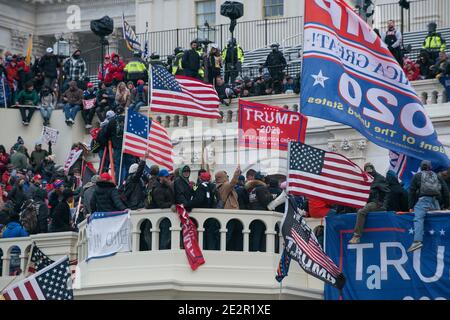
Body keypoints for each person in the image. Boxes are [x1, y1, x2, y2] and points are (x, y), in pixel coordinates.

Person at [407, 160, 449, 252]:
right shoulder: (437, 176)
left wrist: (411, 206)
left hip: (423, 201)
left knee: (418, 218)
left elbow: (412, 192)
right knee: (436, 221)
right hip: (436, 202)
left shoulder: (417, 176)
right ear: (430, 167)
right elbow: (446, 192)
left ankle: (417, 241)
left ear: (421, 167)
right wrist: (446, 206)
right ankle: (438, 243)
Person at [349, 163, 390, 244]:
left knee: (361, 211)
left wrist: (384, 206)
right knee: (357, 210)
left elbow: (387, 192)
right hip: (366, 202)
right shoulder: (364, 179)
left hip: (376, 202)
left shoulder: (379, 178)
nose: (368, 172)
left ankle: (356, 236)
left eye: (370, 170)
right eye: (367, 170)